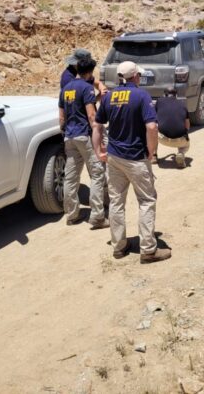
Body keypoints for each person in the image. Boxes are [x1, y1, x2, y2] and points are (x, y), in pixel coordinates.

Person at [93, 61, 171, 264]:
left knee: (116, 202)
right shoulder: (141, 95)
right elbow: (152, 127)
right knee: (146, 200)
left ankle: (119, 246)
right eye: (139, 75)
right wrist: (151, 151)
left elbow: (97, 125)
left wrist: (98, 150)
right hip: (136, 157)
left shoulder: (108, 96)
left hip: (114, 157)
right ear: (135, 76)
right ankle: (148, 249)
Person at [59, 58, 108, 228]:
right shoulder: (86, 88)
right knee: (97, 174)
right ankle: (98, 216)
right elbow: (92, 116)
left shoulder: (65, 89)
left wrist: (66, 133)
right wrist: (98, 139)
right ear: (90, 72)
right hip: (85, 136)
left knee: (71, 177)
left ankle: (72, 214)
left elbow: (61, 118)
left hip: (70, 136)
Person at [154, 87, 190, 168]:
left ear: (164, 95)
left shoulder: (159, 101)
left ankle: (153, 156)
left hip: (162, 138)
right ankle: (181, 153)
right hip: (180, 140)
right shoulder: (183, 105)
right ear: (176, 95)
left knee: (152, 128)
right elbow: (187, 126)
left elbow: (153, 118)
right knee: (186, 145)